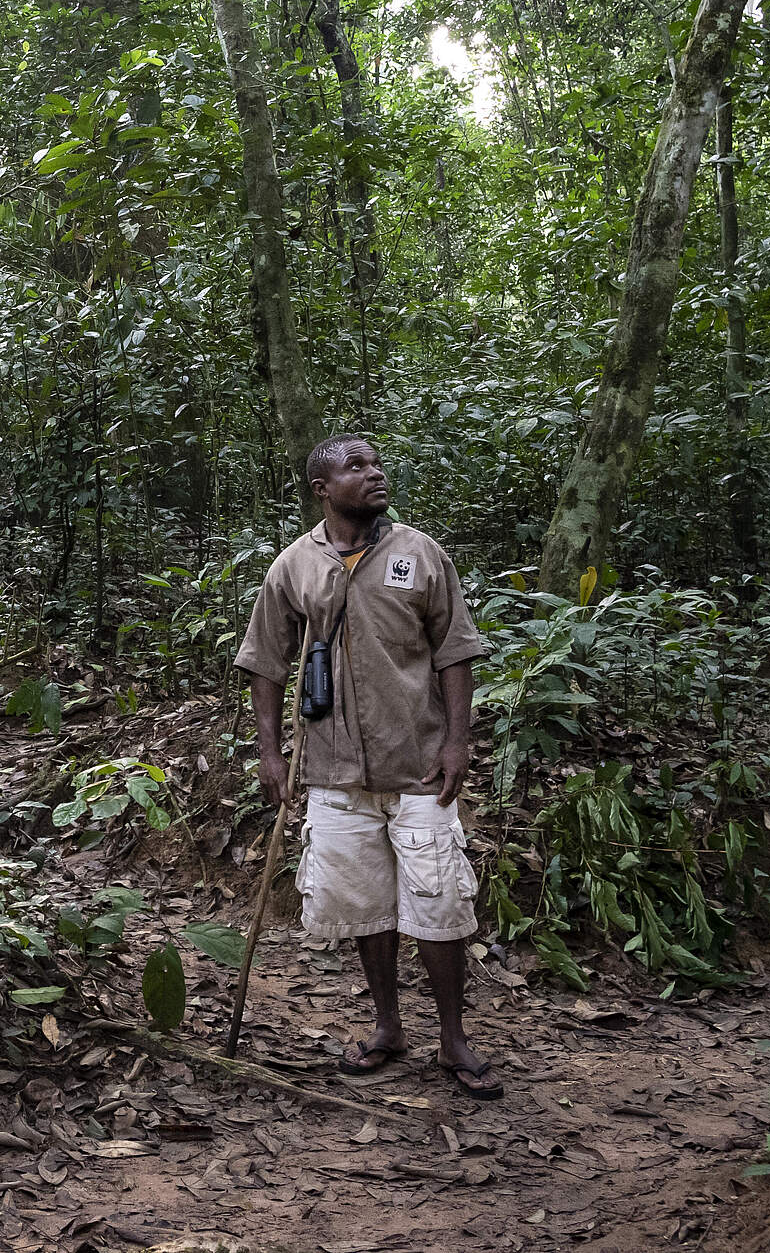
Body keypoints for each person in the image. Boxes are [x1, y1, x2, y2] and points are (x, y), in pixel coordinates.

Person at [235, 433, 501, 1100]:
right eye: (355, 466)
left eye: (375, 463)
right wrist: (271, 752)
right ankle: (387, 1028)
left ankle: (453, 1037)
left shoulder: (419, 553)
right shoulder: (294, 565)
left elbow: (455, 652)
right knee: (364, 907)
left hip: (418, 767)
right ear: (322, 488)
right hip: (333, 772)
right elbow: (266, 662)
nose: (373, 473)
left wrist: (457, 742)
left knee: (439, 903)